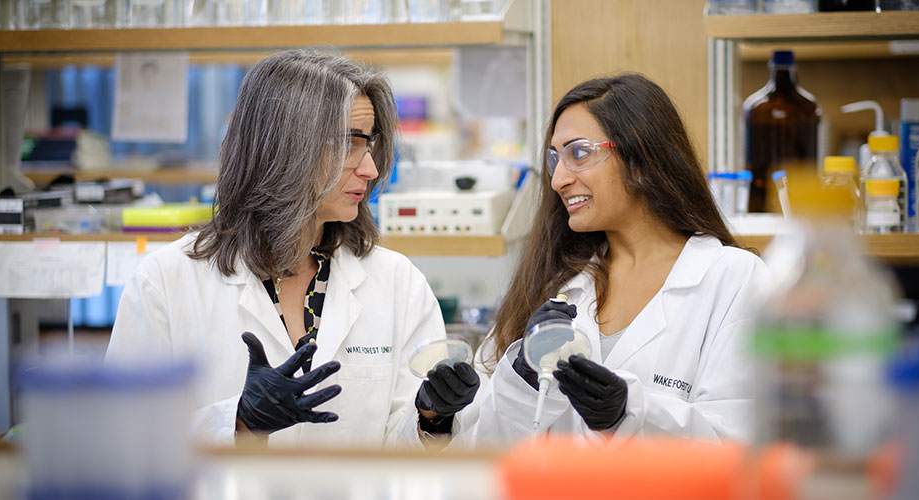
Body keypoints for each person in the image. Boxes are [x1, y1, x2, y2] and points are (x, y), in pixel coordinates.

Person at [106, 49, 479, 448]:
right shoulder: (166, 281)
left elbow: (412, 459)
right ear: (284, 147)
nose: (370, 169)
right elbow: (119, 443)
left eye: (369, 144)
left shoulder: (396, 282)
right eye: (351, 144)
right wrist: (238, 423)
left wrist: (431, 417)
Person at [465, 74, 770, 445]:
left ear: (640, 158)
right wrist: (521, 383)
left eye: (578, 153)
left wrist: (631, 414)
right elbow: (479, 446)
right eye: (554, 159)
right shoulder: (553, 282)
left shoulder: (733, 279)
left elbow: (742, 442)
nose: (558, 179)